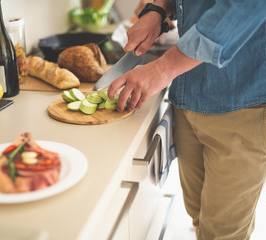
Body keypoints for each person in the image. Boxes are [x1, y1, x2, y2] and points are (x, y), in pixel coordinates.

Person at [107, 0, 266, 239]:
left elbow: (244, 6)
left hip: (242, 103)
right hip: (188, 94)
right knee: (198, 214)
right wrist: (157, 10)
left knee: (222, 233)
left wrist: (162, 69)